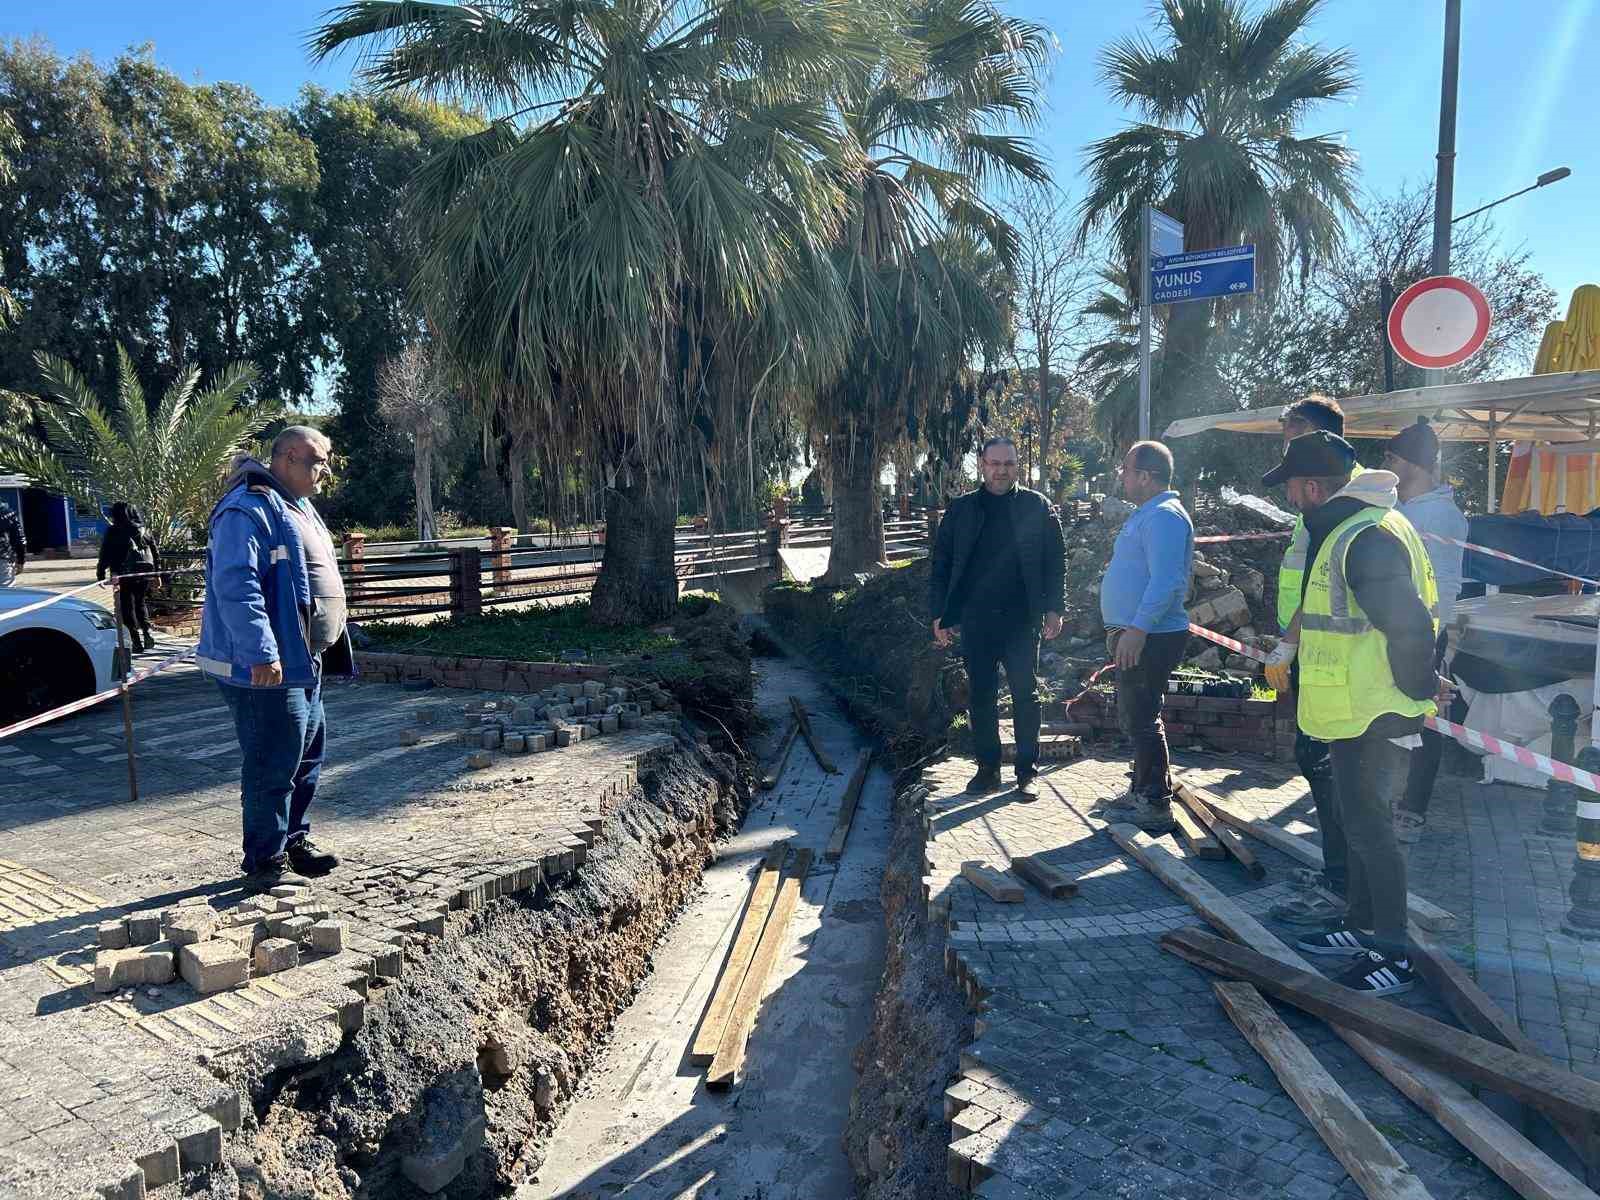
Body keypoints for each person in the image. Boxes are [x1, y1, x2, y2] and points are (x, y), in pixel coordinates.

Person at [1265, 430, 1441, 995]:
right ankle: (1362, 924)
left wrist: (1420, 690)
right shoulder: (1355, 527)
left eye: (1292, 488)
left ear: (1314, 487)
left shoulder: (1362, 535)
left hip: (1376, 706)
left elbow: (1408, 624)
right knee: (1357, 823)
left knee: (1371, 830)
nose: (1290, 499)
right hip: (1357, 707)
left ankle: (1394, 951)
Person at [196, 427, 352, 886]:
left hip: (305, 659)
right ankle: (265, 861)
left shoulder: (297, 504)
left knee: (306, 756)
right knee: (272, 762)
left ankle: (293, 841)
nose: (323, 470)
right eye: (316, 461)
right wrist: (261, 652)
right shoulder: (247, 509)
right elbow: (236, 584)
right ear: (286, 458)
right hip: (267, 668)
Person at [929, 436, 1066, 800]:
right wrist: (939, 613)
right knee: (982, 696)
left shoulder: (1038, 507)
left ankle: (1027, 772)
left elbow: (1056, 562)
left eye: (1008, 463)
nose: (1001, 470)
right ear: (982, 465)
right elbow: (940, 565)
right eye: (994, 463)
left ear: (1017, 466)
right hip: (976, 619)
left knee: (1025, 693)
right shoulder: (961, 511)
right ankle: (987, 769)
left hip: (1022, 619)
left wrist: (1055, 608)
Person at [1263, 396, 1355, 929]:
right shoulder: (1330, 504)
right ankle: (1339, 876)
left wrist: (1290, 642)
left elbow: (1330, 584)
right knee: (1318, 762)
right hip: (1319, 654)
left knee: (1331, 769)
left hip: (1338, 664)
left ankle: (1343, 885)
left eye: (1291, 436)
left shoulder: (1340, 509)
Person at [1094, 442, 1194, 833]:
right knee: (1137, 714)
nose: (1122, 474)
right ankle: (1143, 788)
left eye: (1127, 469)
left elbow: (1167, 581)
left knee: (1141, 717)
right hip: (1139, 632)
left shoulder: (1165, 517)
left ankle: (1153, 803)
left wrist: (1136, 630)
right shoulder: (1148, 514)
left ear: (1146, 476)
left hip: (1150, 635)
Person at [1385, 418, 1467, 845]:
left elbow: (1437, 584)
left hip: (1423, 630)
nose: (1387, 465)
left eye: (1392, 458)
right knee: (1402, 709)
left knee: (1427, 716)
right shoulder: (1403, 510)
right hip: (1398, 627)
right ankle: (1394, 799)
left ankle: (1412, 809)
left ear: (1411, 464)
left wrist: (1434, 635)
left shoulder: (1438, 515)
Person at [96, 502, 158, 651]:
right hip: (144, 573)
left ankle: (135, 641)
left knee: (126, 608)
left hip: (123, 575)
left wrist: (101, 574)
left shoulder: (113, 531)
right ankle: (147, 631)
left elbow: (105, 554)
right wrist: (157, 573)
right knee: (140, 603)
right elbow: (155, 552)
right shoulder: (144, 529)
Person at [0, 498, 23, 587]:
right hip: (3, 558)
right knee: (6, 594)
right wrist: (20, 560)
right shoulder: (7, 512)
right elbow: (19, 538)